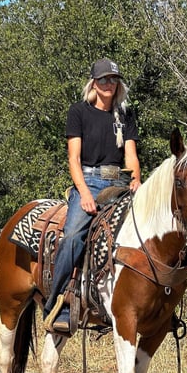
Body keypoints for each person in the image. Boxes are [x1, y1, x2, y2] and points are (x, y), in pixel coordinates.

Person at [43, 58, 142, 333]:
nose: (109, 84)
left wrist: (136, 181)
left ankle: (131, 302)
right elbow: (73, 159)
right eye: (103, 80)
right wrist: (84, 193)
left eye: (113, 79)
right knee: (74, 235)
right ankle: (58, 303)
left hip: (120, 182)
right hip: (88, 180)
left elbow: (131, 156)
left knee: (144, 230)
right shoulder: (79, 112)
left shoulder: (125, 115)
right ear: (93, 83)